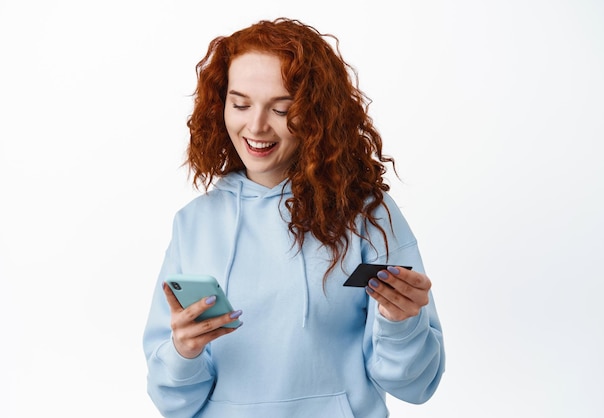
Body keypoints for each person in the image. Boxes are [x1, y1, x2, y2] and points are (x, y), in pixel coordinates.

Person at [143, 17, 445, 418]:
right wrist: (183, 352)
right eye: (241, 104)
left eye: (282, 109)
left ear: (317, 115)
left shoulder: (368, 215)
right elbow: (173, 402)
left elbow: (415, 386)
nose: (256, 126)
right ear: (220, 107)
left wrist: (402, 323)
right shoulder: (195, 224)